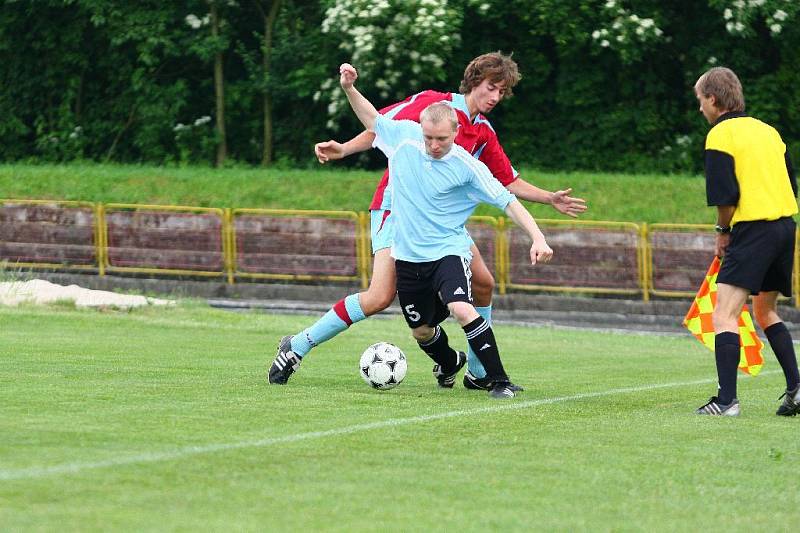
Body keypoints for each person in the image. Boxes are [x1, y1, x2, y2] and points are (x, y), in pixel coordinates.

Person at [269, 52, 585, 389]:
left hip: (440, 222)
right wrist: (345, 149)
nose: (495, 97)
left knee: (484, 283)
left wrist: (548, 197)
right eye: (491, 87)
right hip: (397, 209)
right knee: (379, 297)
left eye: (501, 92)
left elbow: (506, 182)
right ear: (474, 80)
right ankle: (298, 345)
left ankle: (477, 373)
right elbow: (381, 125)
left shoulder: (482, 132)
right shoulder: (433, 104)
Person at [336, 62, 550, 398]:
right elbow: (372, 119)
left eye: (442, 139)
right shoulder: (405, 141)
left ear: (456, 134)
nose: (434, 146)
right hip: (407, 257)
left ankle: (498, 380)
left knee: (462, 307)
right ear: (420, 131)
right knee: (421, 330)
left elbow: (508, 200)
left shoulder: (468, 165)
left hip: (448, 251)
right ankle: (451, 361)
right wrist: (349, 88)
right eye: (429, 138)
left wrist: (537, 236)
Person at [692, 66, 800, 416]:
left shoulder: (720, 135)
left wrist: (723, 233)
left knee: (724, 314)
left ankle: (726, 402)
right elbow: (791, 186)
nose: (700, 109)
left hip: (753, 230)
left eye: (700, 101)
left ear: (712, 98)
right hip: (785, 226)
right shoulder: (769, 131)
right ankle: (797, 389)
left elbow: (726, 197)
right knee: (765, 310)